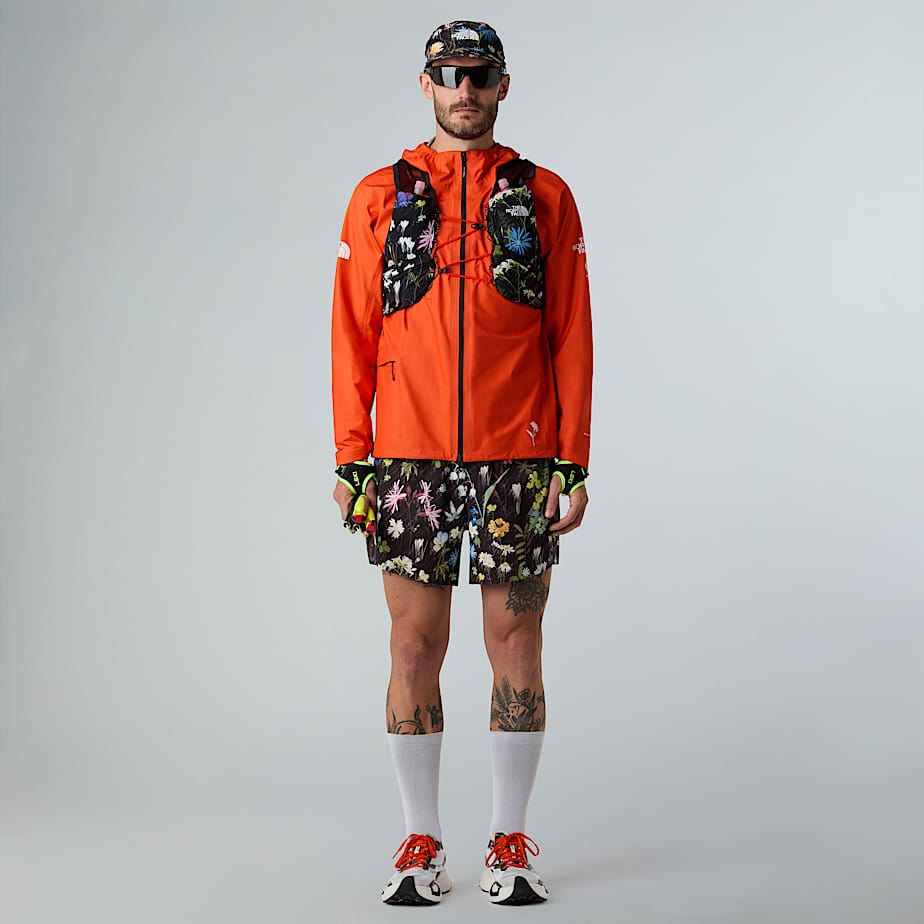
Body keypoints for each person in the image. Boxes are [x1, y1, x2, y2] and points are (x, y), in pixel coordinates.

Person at [330, 20, 593, 907]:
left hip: (519, 457)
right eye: (450, 74)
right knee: (413, 645)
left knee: (517, 640)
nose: (465, 89)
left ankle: (509, 837)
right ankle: (421, 839)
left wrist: (572, 458)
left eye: (480, 75)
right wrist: (354, 456)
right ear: (427, 83)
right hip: (407, 459)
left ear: (503, 85)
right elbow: (351, 332)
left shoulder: (545, 195)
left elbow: (572, 335)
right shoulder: (379, 196)